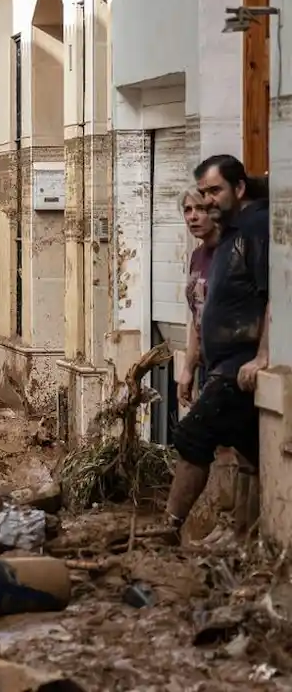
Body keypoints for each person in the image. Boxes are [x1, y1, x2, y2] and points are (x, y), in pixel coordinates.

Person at [166, 154, 269, 533]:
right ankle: (244, 534)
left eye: (213, 193)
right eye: (198, 198)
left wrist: (263, 356)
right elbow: (199, 317)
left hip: (239, 367)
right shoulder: (225, 239)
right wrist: (190, 367)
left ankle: (169, 526)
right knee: (252, 454)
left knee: (193, 436)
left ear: (238, 189)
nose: (204, 205)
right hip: (220, 365)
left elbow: (272, 294)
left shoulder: (255, 226)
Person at [177, 187, 221, 406]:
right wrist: (187, 369)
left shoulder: (234, 252)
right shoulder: (197, 256)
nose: (192, 216)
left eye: (200, 209)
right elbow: (197, 319)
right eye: (187, 209)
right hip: (205, 365)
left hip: (229, 366)